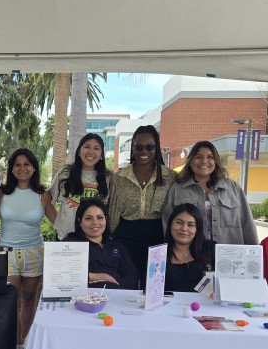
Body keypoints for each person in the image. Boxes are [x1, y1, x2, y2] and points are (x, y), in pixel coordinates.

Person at [0, 148, 56, 349]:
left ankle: (23, 344)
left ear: (34, 168)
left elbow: (58, 222)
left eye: (27, 164)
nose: (22, 168)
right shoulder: (2, 193)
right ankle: (12, 342)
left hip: (34, 253)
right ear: (11, 169)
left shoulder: (43, 195)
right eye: (17, 164)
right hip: (7, 252)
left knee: (29, 299)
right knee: (11, 300)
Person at [108, 125, 176, 283]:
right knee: (127, 281)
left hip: (157, 235)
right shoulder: (120, 178)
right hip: (126, 236)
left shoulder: (170, 177)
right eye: (139, 147)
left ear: (156, 148)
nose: (144, 151)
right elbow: (113, 211)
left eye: (149, 147)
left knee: (154, 283)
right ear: (132, 149)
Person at [163, 140, 258, 246]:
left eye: (210, 157)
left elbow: (247, 224)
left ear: (216, 161)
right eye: (198, 157)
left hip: (230, 256)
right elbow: (167, 224)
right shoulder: (177, 190)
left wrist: (254, 253)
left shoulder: (233, 188)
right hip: (191, 256)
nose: (204, 161)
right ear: (190, 161)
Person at [64, 198, 138, 290]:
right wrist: (96, 277)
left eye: (100, 217)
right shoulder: (69, 245)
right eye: (88, 218)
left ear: (105, 219)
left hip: (118, 297)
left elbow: (131, 275)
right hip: (85, 299)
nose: (95, 222)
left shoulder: (117, 246)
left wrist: (118, 289)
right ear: (79, 221)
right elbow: (62, 275)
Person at [48, 133, 111, 239]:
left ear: (101, 155)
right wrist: (59, 225)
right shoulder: (65, 173)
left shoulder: (108, 178)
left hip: (97, 242)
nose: (91, 152)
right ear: (79, 151)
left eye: (96, 148)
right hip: (66, 241)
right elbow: (48, 200)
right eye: (87, 146)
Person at [164, 204, 215, 292]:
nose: (184, 229)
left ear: (197, 229)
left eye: (190, 225)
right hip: (170, 305)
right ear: (170, 224)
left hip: (205, 305)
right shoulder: (158, 254)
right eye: (179, 222)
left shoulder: (211, 249)